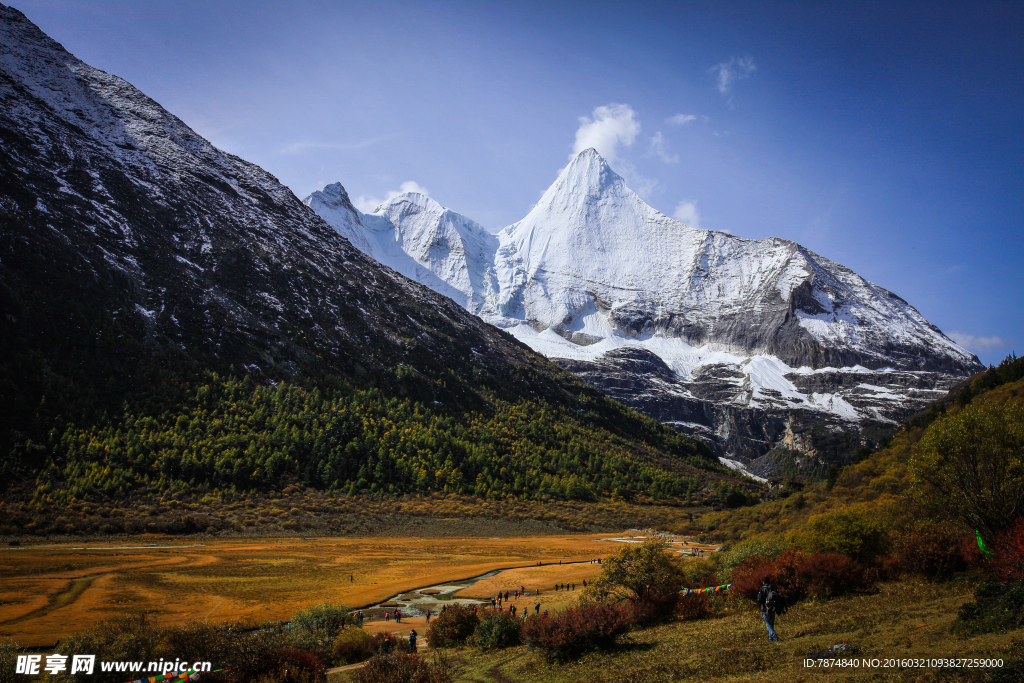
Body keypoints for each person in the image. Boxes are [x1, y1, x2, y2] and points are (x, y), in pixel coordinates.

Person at [756, 576, 781, 642]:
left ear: (764, 582)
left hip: (765, 608)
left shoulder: (762, 588)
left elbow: (759, 599)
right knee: (771, 623)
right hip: (773, 608)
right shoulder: (773, 587)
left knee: (768, 624)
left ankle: (774, 636)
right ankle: (770, 638)